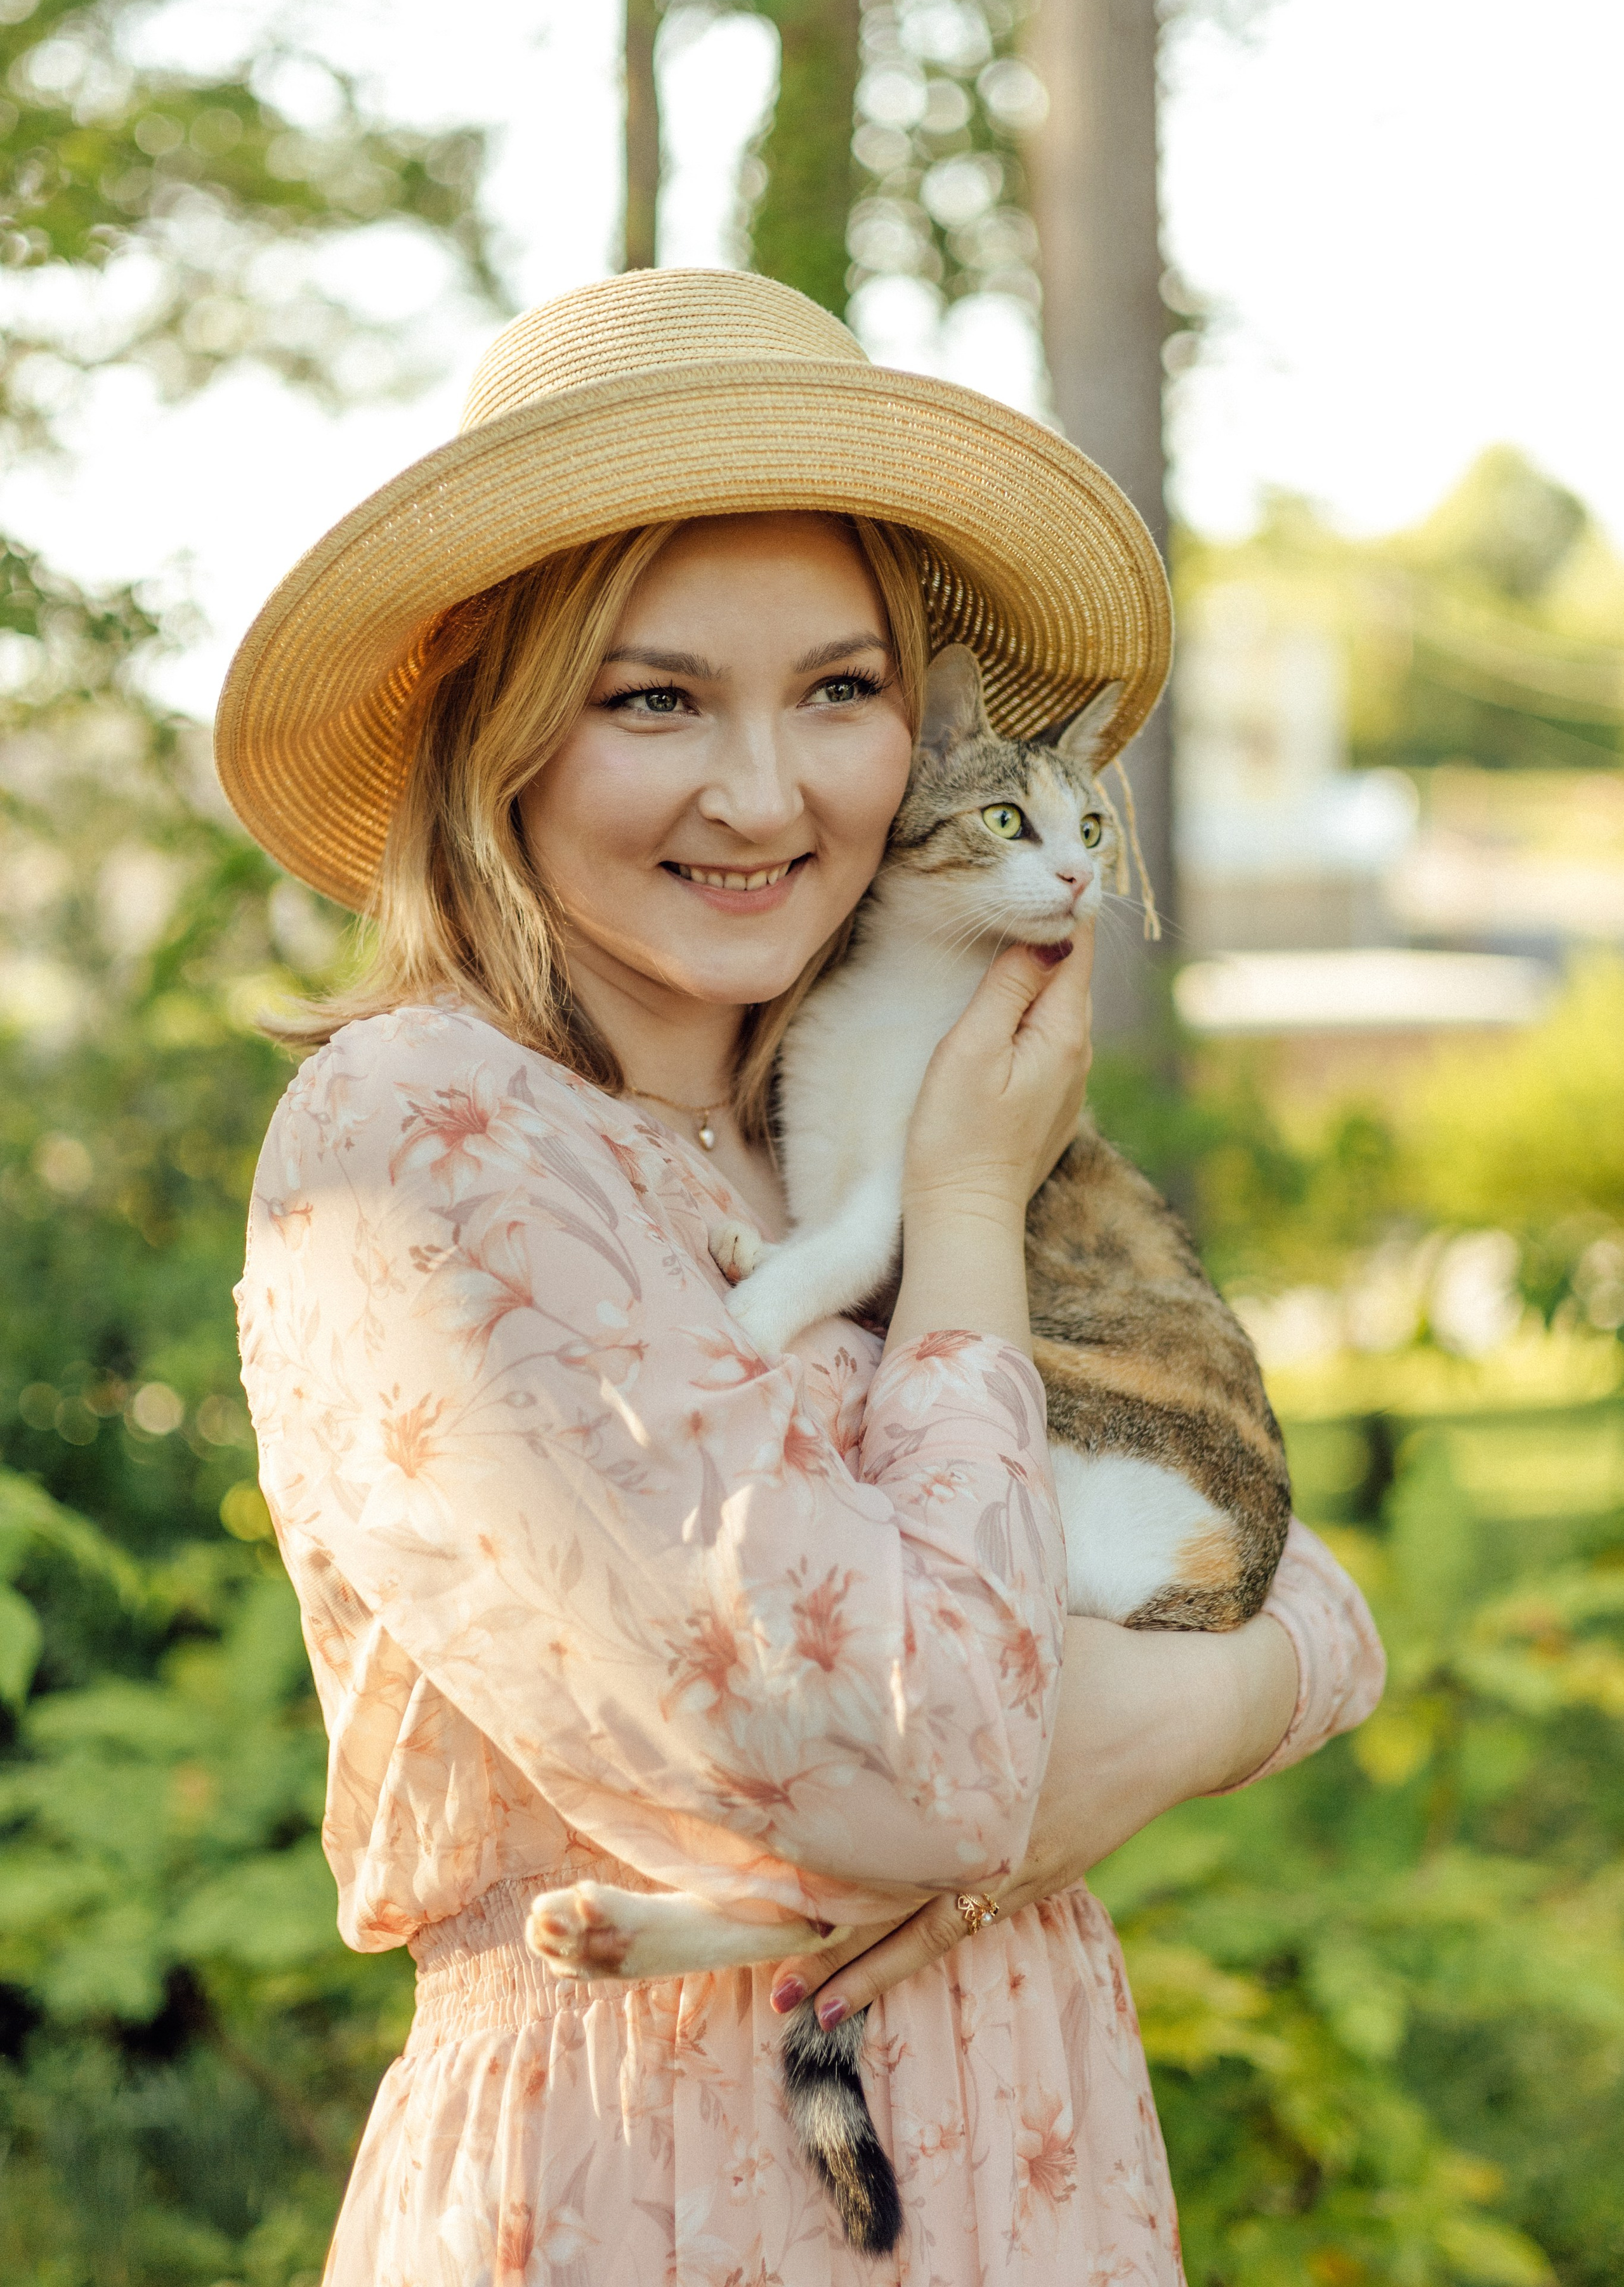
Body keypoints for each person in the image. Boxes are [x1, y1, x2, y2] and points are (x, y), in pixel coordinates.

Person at [219, 269, 1384, 2286]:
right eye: (654, 697)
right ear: (495, 719)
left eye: (839, 692)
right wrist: (954, 1217)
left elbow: (1305, 1576)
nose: (768, 797)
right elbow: (924, 1761)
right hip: (661, 2188)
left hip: (1030, 2164)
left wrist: (1228, 1684)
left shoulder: (815, 1102)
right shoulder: (425, 1141)